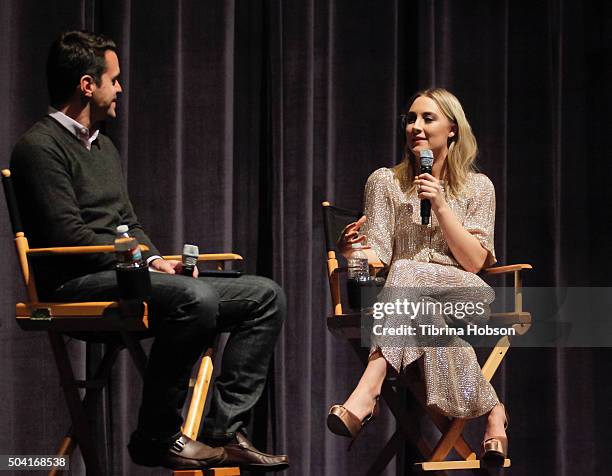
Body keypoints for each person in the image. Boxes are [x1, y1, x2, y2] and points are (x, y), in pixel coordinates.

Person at [10, 30, 289, 472]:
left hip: (126, 273)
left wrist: (157, 259)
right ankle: (156, 436)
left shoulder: (104, 146)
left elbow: (129, 224)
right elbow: (72, 238)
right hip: (73, 283)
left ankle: (223, 430)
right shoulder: (38, 148)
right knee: (193, 299)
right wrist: (143, 262)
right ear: (87, 85)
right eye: (113, 79)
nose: (120, 88)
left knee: (265, 295)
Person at [326, 88, 509, 464]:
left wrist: (440, 204)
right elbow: (376, 254)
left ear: (453, 130)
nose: (416, 127)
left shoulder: (479, 187)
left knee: (406, 271)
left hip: (464, 294)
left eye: (428, 118)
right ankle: (494, 413)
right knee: (416, 302)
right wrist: (351, 251)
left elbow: (475, 262)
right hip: (407, 306)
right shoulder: (384, 182)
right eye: (411, 119)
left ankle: (369, 388)